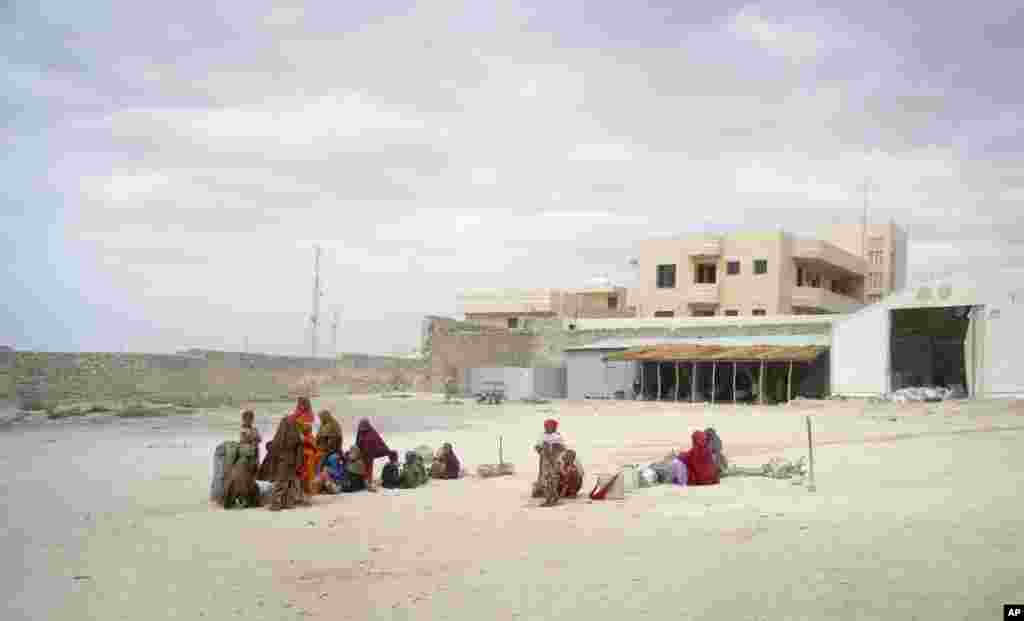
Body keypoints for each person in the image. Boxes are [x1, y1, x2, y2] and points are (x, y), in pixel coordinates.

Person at [265, 415, 307, 511]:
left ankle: (278, 503)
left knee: (282, 481)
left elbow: (273, 446)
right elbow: (298, 447)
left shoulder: (280, 434)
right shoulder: (296, 434)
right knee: (287, 482)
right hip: (290, 459)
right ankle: (284, 503)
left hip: (282, 459)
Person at [289, 398, 318, 496]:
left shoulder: (309, 415)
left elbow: (306, 429)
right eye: (300, 404)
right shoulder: (296, 414)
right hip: (299, 443)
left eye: (303, 404)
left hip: (306, 444)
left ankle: (306, 492)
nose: (301, 406)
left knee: (306, 470)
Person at [534, 419, 565, 506]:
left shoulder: (557, 436)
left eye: (549, 426)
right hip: (545, 461)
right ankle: (552, 497)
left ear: (554, 427)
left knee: (552, 480)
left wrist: (553, 449)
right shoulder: (542, 436)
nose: (546, 428)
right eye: (546, 426)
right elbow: (537, 447)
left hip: (554, 461)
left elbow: (562, 448)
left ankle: (550, 499)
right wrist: (543, 450)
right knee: (547, 480)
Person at [355, 418, 391, 491]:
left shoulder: (372, 433)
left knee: (368, 467)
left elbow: (377, 443)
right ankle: (365, 481)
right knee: (363, 467)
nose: (362, 429)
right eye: (361, 426)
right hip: (363, 453)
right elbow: (357, 443)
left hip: (370, 453)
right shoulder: (360, 432)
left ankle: (369, 482)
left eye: (363, 427)